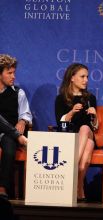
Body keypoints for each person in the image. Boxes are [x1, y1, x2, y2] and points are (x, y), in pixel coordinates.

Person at [55, 63, 98, 201]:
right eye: (82, 76)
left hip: (88, 133)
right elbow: (60, 124)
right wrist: (71, 113)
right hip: (71, 138)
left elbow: (94, 126)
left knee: (85, 128)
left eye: (87, 77)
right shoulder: (61, 98)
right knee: (85, 158)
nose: (86, 80)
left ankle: (71, 165)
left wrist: (95, 115)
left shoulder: (90, 98)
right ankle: (79, 188)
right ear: (72, 78)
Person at [0, 54, 32, 199]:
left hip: (8, 135)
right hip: (14, 134)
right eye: (9, 73)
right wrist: (18, 135)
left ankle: (2, 188)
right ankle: (17, 137)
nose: (13, 76)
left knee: (9, 146)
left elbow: (26, 114)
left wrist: (23, 121)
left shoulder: (18, 93)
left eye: (14, 73)